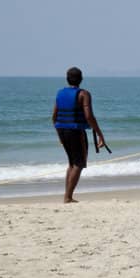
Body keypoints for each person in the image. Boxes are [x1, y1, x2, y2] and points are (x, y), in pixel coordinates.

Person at [51, 67, 106, 203]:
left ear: (67, 79)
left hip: (62, 130)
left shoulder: (60, 93)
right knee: (79, 164)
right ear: (81, 79)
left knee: (71, 163)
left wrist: (59, 136)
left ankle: (67, 195)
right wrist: (100, 135)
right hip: (75, 131)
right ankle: (68, 197)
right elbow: (89, 116)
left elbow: (54, 117)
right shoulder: (84, 94)